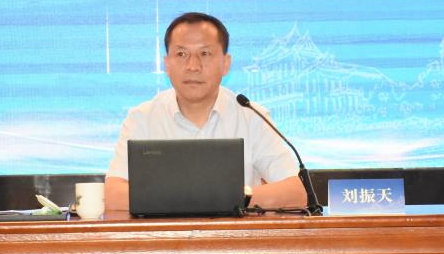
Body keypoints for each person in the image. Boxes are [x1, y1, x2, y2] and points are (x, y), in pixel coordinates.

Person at [105, 12, 307, 212]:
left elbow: (296, 193)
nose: (193, 66)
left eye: (205, 54)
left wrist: (235, 196)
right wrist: (209, 197)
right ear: (167, 65)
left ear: (226, 64)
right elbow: (113, 195)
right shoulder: (142, 118)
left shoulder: (251, 116)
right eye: (182, 54)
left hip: (233, 234)